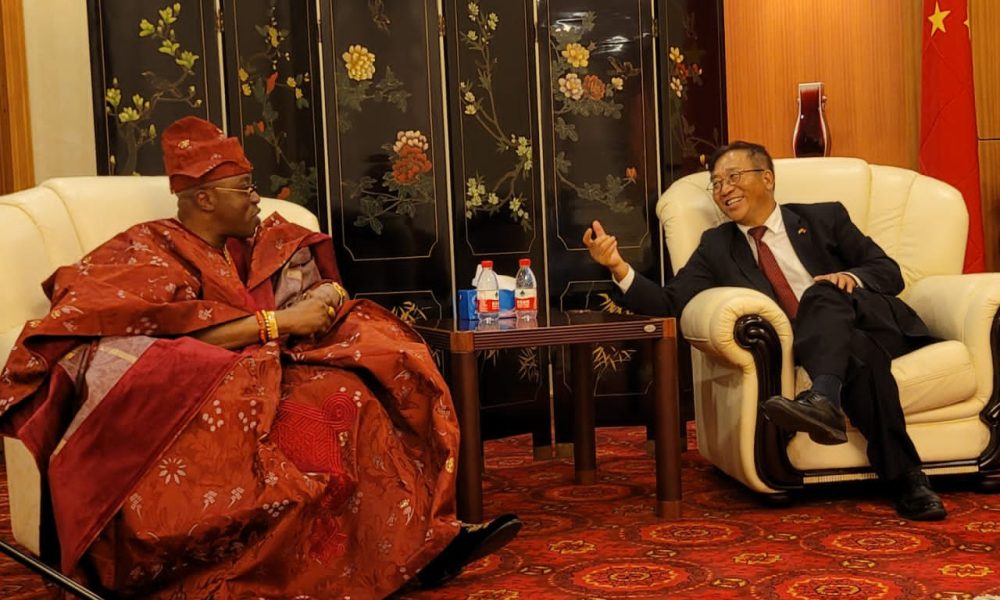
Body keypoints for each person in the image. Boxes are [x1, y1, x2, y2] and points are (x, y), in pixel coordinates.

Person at [0, 116, 520, 598]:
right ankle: (286, 573)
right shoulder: (145, 249)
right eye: (244, 188)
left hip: (280, 368)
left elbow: (320, 293)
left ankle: (418, 544)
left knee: (360, 387)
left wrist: (326, 298)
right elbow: (126, 332)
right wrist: (277, 324)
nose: (256, 199)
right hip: (201, 394)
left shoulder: (265, 242)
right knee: (301, 431)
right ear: (205, 198)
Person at [582, 140, 946, 521]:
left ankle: (823, 397)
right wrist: (618, 267)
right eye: (716, 183)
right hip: (820, 345)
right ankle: (908, 479)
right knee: (859, 355)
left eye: (733, 177)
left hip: (871, 319)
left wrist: (849, 278)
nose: (724, 189)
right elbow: (670, 304)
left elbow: (889, 271)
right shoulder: (717, 247)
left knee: (822, 294)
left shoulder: (824, 218)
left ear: (767, 178)